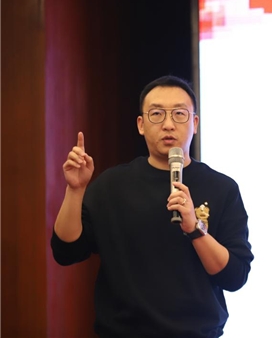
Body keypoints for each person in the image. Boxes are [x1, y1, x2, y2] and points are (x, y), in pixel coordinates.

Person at [51, 75, 254, 338]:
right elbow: (66, 252)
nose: (168, 124)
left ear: (194, 123)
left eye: (179, 114)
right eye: (157, 114)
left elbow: (235, 276)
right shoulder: (112, 185)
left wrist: (195, 229)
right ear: (141, 125)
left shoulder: (222, 188)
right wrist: (75, 190)